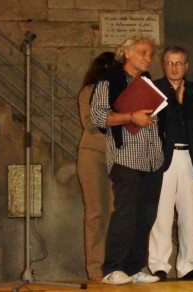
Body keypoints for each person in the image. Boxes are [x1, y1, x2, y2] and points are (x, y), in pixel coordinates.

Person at [90, 36, 163, 285]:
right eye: (143, 52)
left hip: (152, 158)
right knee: (126, 212)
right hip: (126, 156)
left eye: (150, 54)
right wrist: (131, 116)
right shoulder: (109, 81)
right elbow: (98, 116)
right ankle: (112, 268)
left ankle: (134, 267)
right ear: (127, 53)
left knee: (146, 215)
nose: (148, 58)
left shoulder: (148, 82)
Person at [148, 46, 193, 280]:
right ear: (163, 65)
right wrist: (176, 102)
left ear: (186, 66)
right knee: (161, 214)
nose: (174, 67)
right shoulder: (155, 88)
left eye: (179, 63)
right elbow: (157, 122)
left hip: (190, 157)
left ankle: (187, 266)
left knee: (188, 215)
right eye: (169, 62)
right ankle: (159, 266)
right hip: (163, 158)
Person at [77, 51, 116, 281]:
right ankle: (95, 268)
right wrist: (116, 115)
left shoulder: (121, 89)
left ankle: (114, 264)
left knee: (116, 212)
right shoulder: (88, 91)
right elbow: (90, 122)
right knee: (95, 214)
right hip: (92, 155)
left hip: (118, 156)